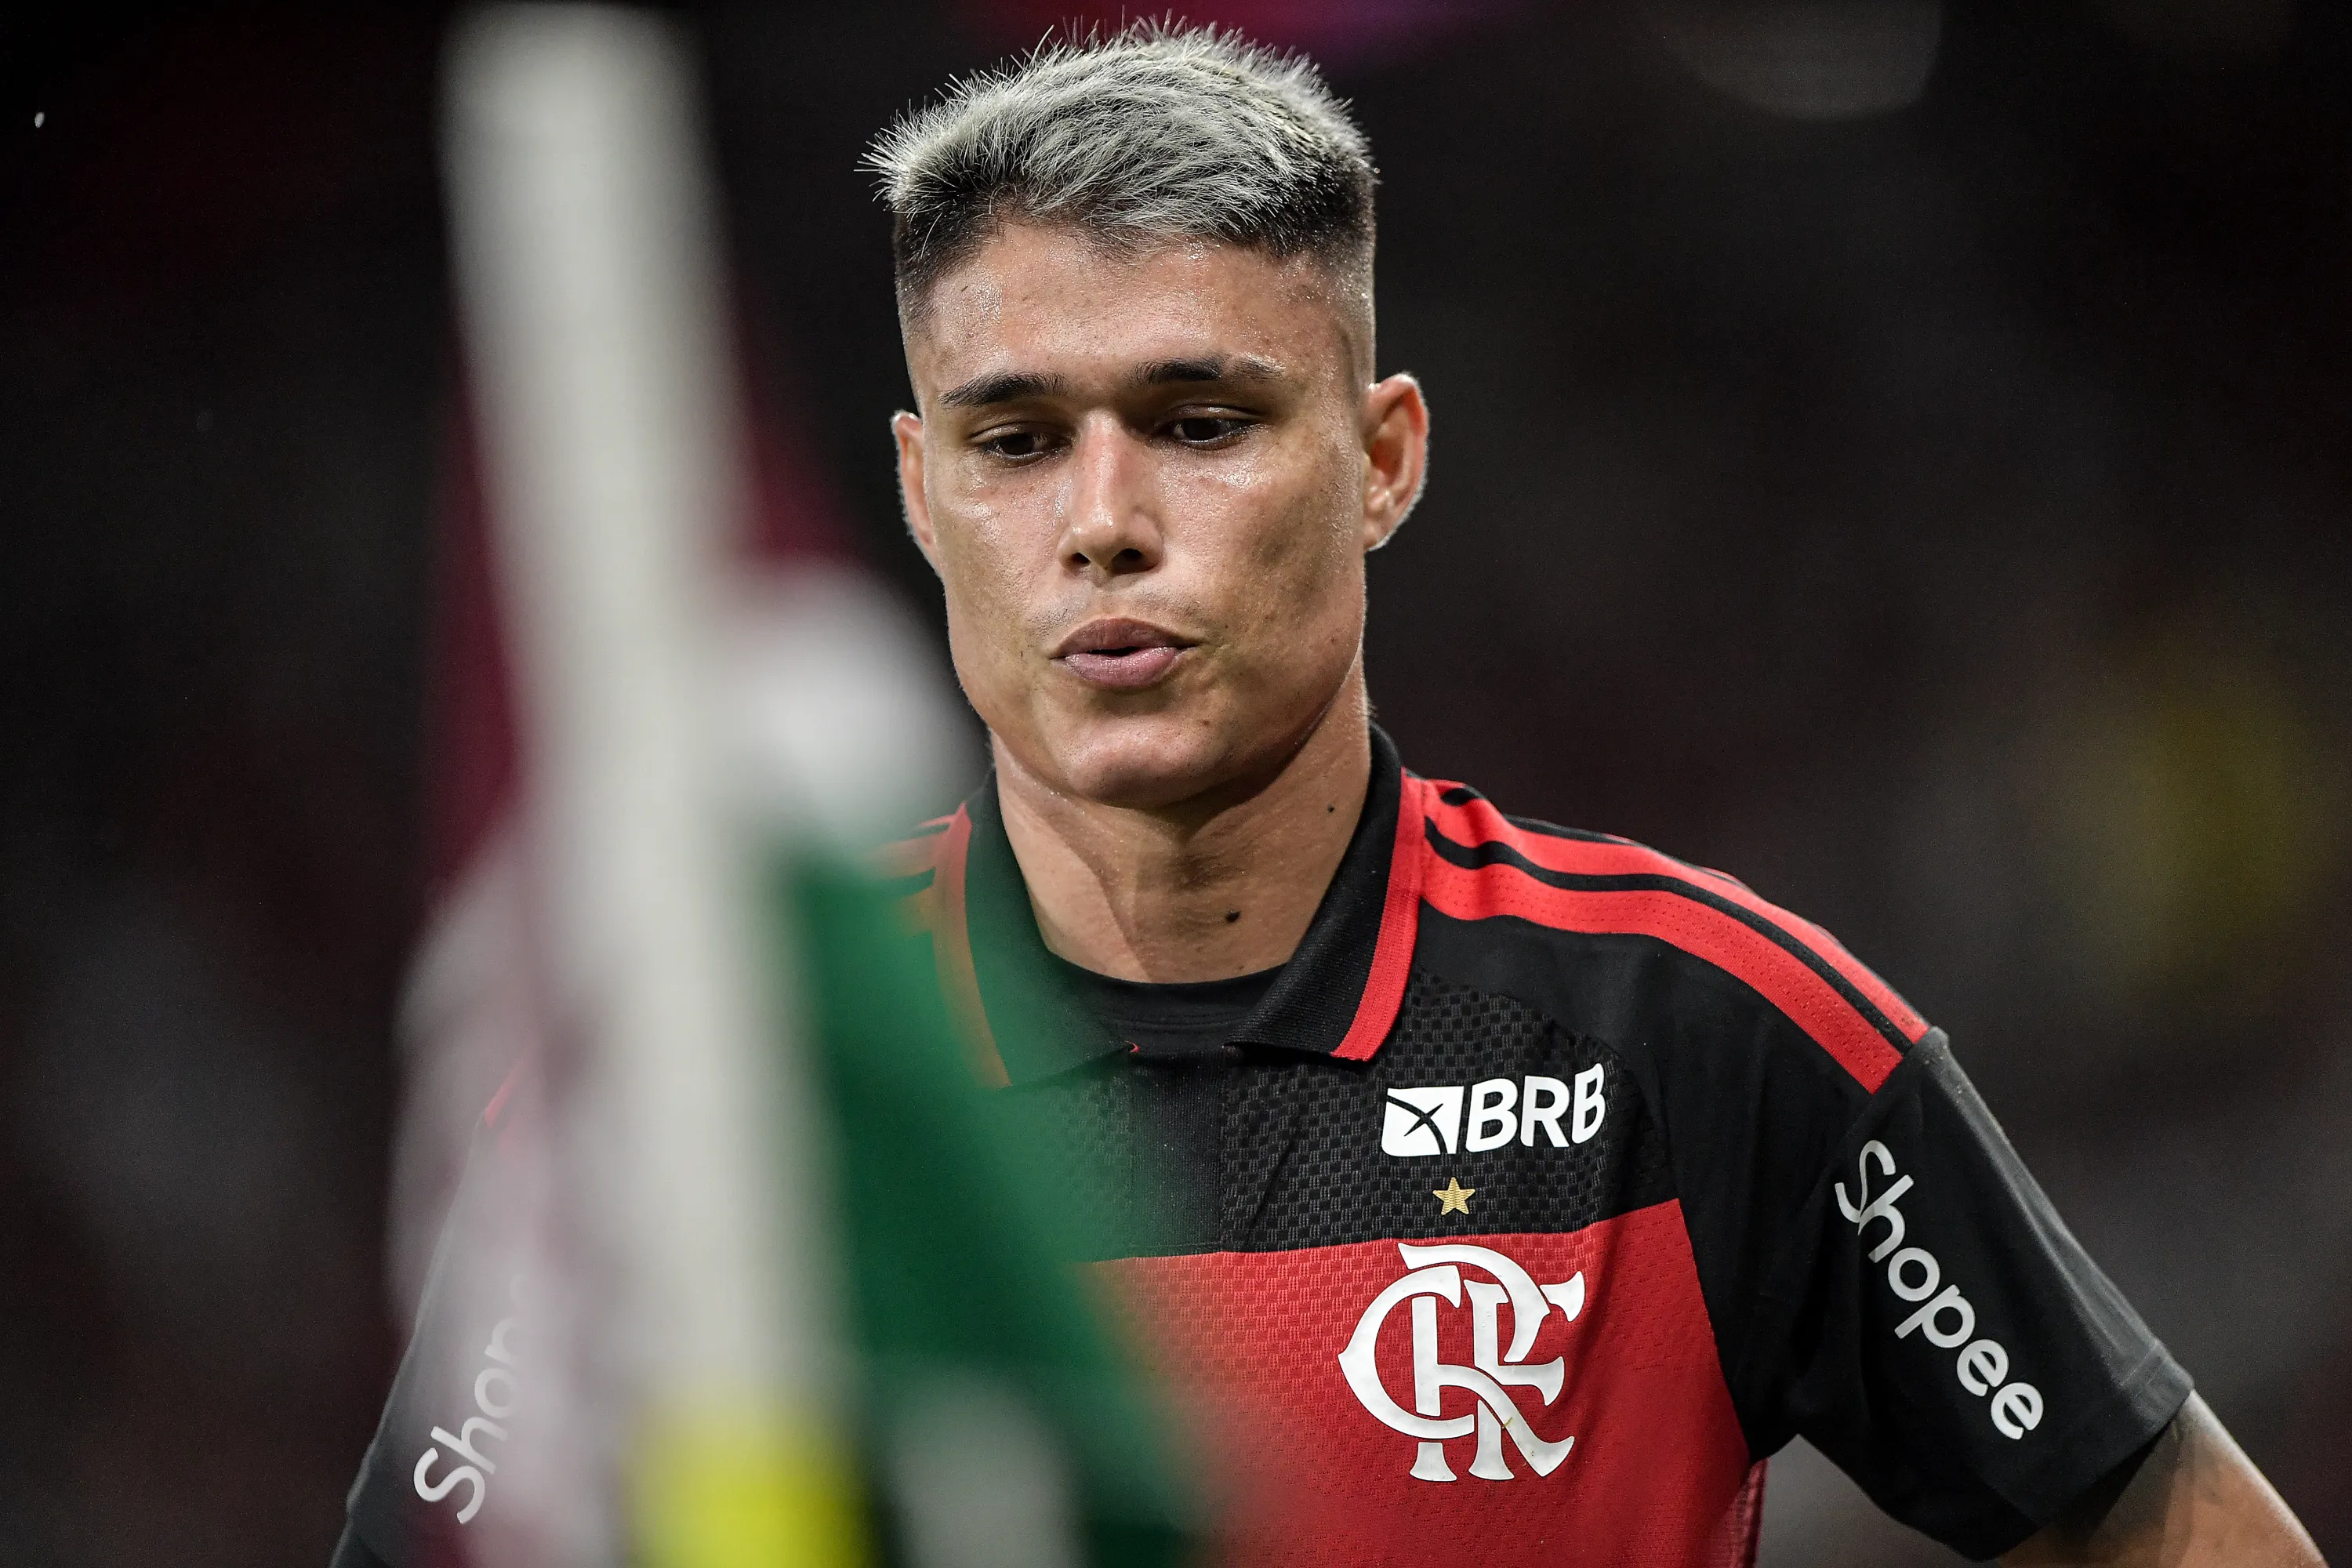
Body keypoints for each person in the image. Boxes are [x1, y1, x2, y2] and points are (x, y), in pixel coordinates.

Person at [865, 24, 2324, 1567]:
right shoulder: (757, 1047)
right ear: (917, 489)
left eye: (1200, 423)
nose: (1101, 521)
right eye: (1016, 442)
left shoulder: (1694, 1033)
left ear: (1382, 460)